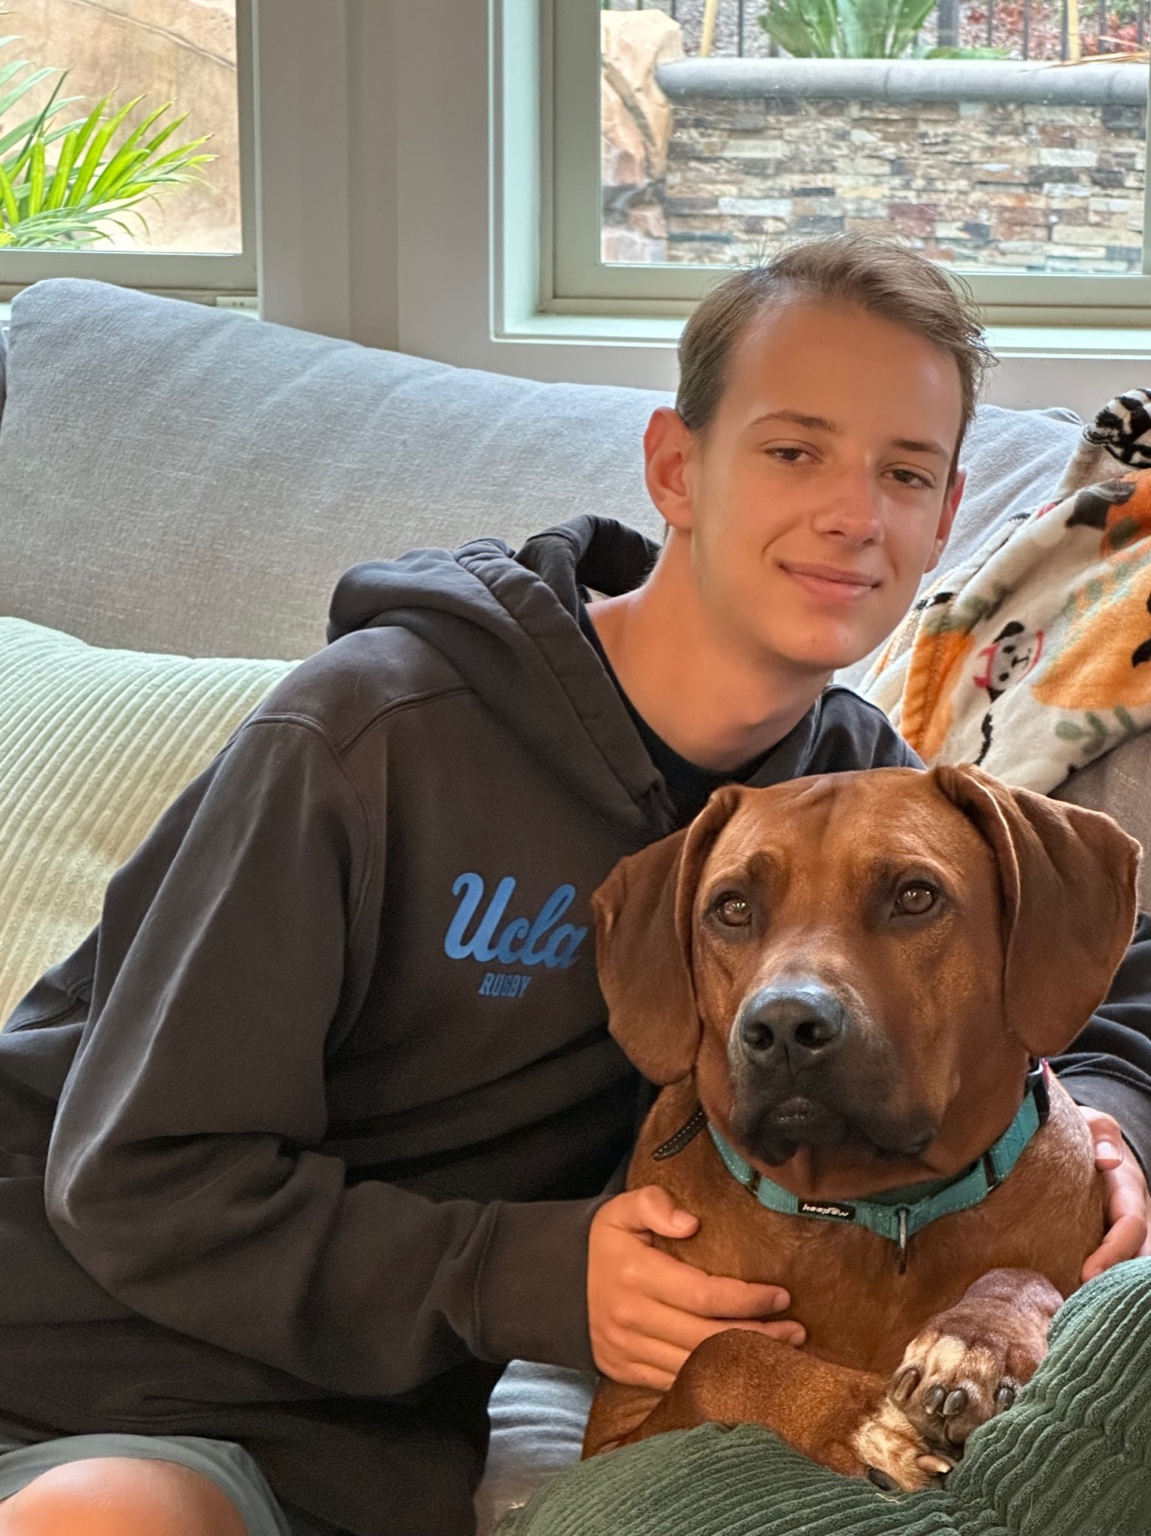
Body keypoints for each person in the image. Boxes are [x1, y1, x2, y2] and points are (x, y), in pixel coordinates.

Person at [0, 236, 1147, 1536]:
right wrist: (529, 1277)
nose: (851, 512)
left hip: (364, 1421)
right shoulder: (371, 737)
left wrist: (1109, 1125)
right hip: (77, 1342)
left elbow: (1108, 960)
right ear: (676, 468)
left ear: (943, 520)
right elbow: (133, 1175)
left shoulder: (847, 791)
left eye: (904, 472)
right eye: (794, 450)